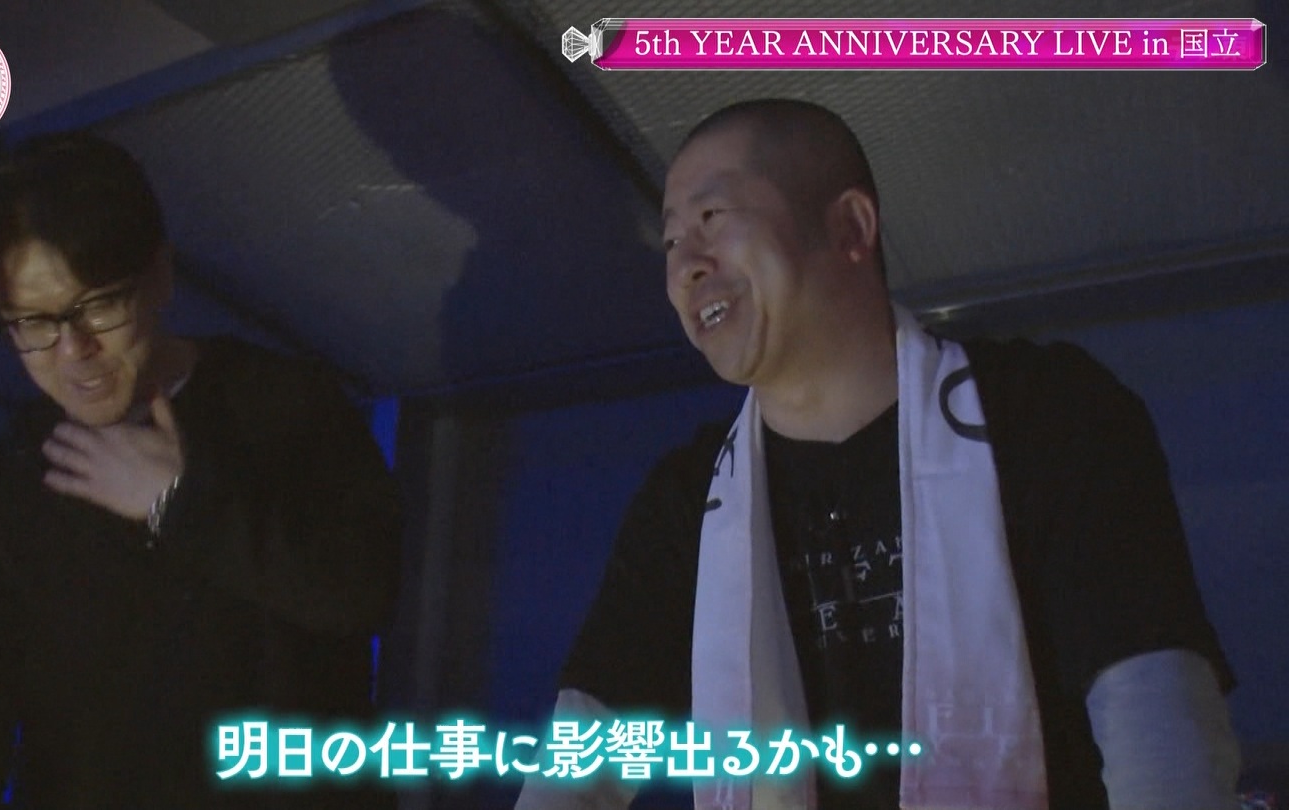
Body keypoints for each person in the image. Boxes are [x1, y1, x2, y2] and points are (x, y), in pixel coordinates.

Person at [515, 99, 1242, 810]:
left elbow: (1157, 721)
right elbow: (582, 758)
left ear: (851, 227)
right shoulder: (687, 498)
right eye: (672, 241)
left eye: (713, 218)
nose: (685, 268)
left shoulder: (1044, 412)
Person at [0, 132, 402, 809]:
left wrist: (180, 502)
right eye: (32, 323)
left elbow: (364, 593)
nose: (73, 351)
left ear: (160, 276)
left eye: (98, 304)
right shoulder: (5, 485)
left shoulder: (281, 403)